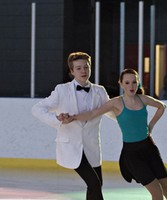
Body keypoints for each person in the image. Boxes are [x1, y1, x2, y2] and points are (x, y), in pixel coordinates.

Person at [63, 68, 167, 200]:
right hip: (132, 155)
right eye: (127, 83)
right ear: (121, 84)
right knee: (156, 192)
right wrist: (72, 117)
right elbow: (92, 114)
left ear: (138, 83)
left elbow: (161, 106)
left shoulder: (143, 99)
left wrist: (151, 125)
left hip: (150, 149)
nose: (131, 86)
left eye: (134, 82)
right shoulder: (116, 103)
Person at [32, 52, 111, 200]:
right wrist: (58, 119)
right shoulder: (62, 90)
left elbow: (111, 112)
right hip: (70, 146)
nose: (83, 71)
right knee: (94, 183)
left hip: (91, 146)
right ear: (72, 71)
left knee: (96, 184)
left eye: (86, 67)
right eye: (79, 68)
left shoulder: (100, 91)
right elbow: (37, 109)